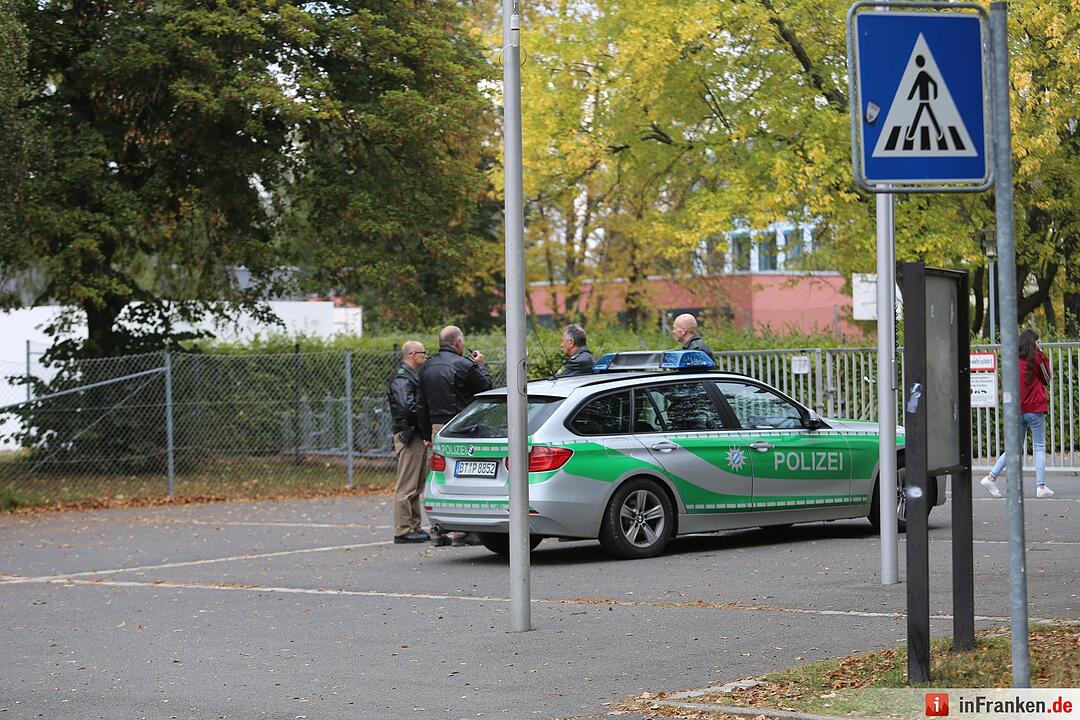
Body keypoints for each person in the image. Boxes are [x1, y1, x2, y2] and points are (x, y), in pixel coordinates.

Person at [417, 325, 493, 546]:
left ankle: (437, 529)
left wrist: (426, 432)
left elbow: (421, 403)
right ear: (458, 342)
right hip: (463, 427)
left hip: (438, 428)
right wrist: (480, 366)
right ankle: (461, 531)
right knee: (467, 477)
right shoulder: (465, 365)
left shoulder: (427, 366)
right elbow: (486, 387)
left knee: (439, 477)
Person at [980, 329, 1054, 498]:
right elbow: (1047, 378)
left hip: (1017, 409)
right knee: (1039, 446)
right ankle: (1041, 486)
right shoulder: (1038, 357)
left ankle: (991, 477)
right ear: (1033, 343)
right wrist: (1042, 356)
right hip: (1035, 408)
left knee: (1014, 448)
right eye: (1038, 342)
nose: (1040, 345)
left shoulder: (1013, 359)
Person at [387, 341, 431, 543]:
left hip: (415, 433)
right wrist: (423, 423)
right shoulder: (402, 378)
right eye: (423, 353)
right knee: (407, 485)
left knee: (416, 483)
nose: (426, 356)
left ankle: (414, 526)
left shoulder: (411, 376)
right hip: (409, 434)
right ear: (413, 354)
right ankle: (403, 529)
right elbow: (407, 407)